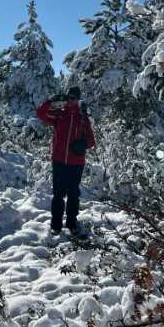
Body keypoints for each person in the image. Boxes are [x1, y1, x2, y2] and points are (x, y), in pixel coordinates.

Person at [37, 87, 96, 236]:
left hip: (76, 163)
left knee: (73, 194)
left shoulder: (82, 118)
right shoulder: (59, 115)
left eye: (74, 98)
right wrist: (51, 100)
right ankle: (56, 225)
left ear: (78, 99)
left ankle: (72, 223)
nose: (71, 100)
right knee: (58, 194)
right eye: (69, 97)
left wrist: (82, 144)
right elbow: (40, 114)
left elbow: (91, 140)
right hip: (59, 161)